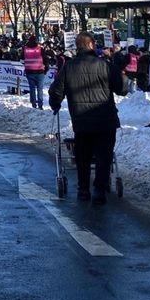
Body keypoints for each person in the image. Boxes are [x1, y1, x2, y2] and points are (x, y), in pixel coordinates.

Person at [49, 32, 126, 203]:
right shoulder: (104, 65)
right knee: (104, 155)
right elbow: (122, 88)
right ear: (91, 45)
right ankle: (99, 188)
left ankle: (83, 189)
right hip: (105, 119)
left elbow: (55, 91)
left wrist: (55, 103)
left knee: (83, 155)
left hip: (81, 120)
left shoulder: (69, 67)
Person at [22, 35, 48, 109]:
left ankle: (33, 104)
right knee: (40, 89)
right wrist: (45, 70)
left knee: (32, 88)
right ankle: (40, 105)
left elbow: (21, 59)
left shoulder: (25, 49)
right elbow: (46, 60)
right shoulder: (40, 49)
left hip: (29, 71)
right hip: (40, 72)